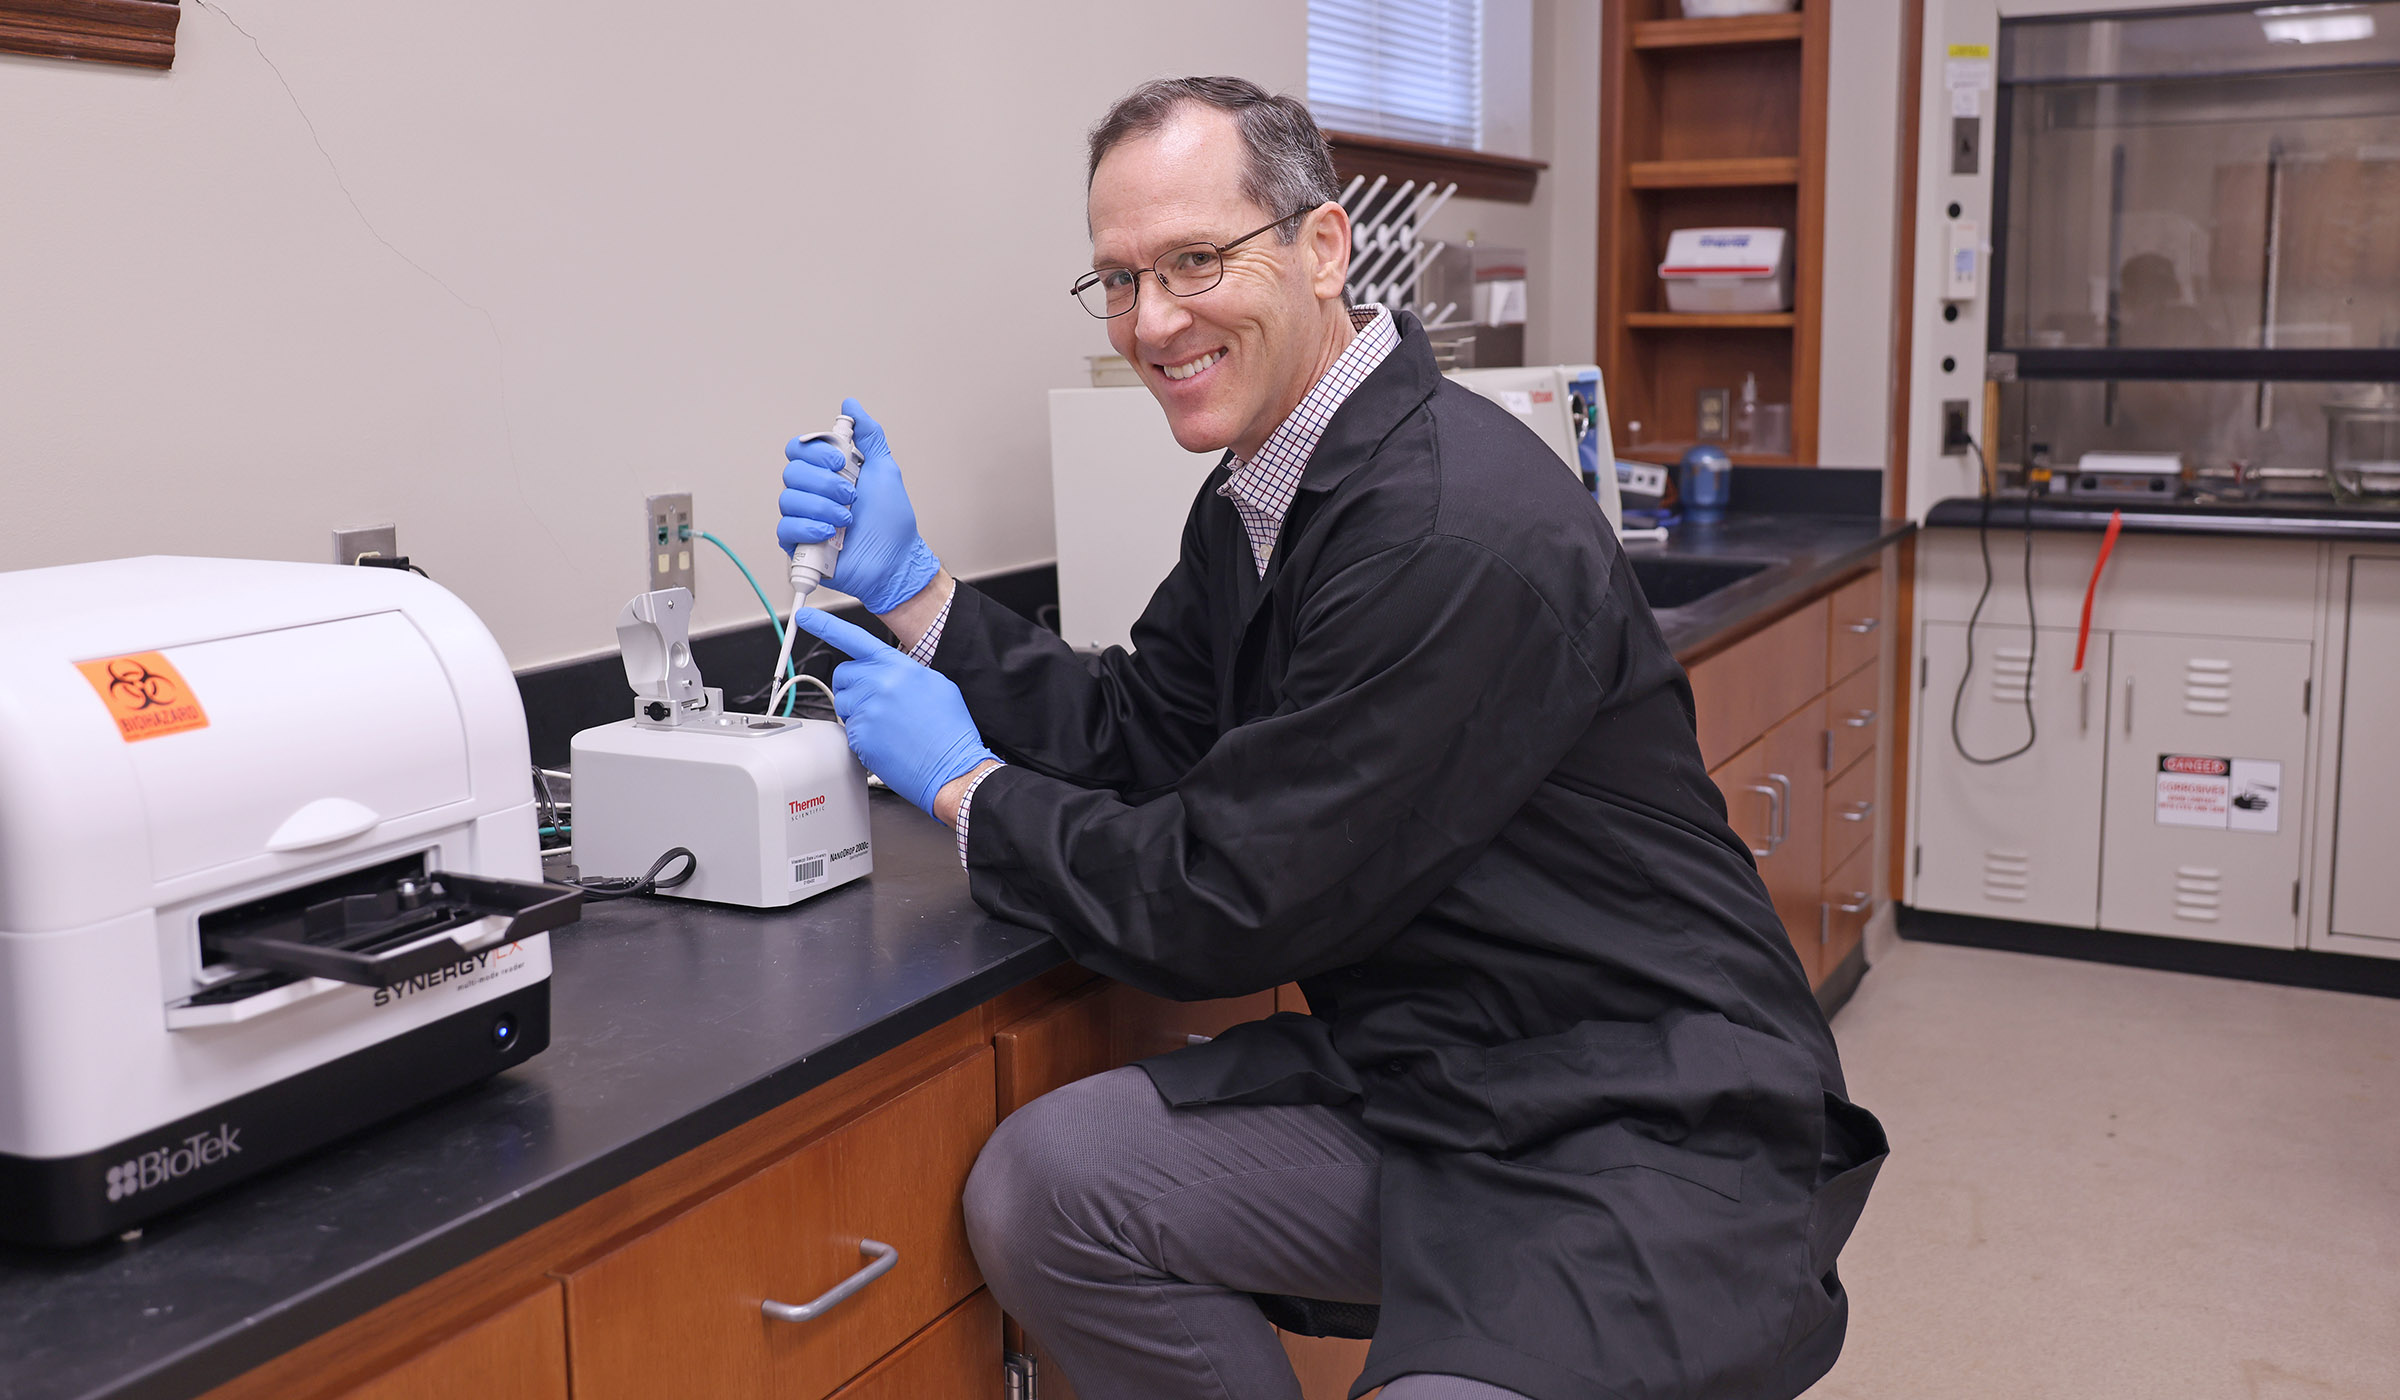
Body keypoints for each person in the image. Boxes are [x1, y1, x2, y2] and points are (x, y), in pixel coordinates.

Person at [777, 76, 1885, 1400]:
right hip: (1442, 1076)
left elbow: (1230, 896)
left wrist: (965, 790)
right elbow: (1146, 726)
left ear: (1323, 244)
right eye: (1119, 280)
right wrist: (917, 596)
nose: (1153, 320)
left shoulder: (1444, 528)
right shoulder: (1271, 488)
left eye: (1195, 261)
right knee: (1052, 1189)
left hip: (1638, 1125)